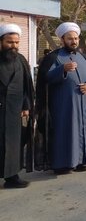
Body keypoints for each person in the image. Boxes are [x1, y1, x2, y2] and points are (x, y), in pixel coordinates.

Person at [36, 22, 86, 174]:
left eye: (76, 38)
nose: (74, 41)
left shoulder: (83, 57)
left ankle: (81, 161)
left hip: (83, 105)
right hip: (63, 106)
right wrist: (62, 70)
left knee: (84, 131)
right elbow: (45, 79)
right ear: (62, 39)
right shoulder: (54, 57)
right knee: (65, 133)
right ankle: (62, 164)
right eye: (70, 38)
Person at [0, 24, 34, 188]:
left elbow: (27, 86)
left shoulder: (21, 60)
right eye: (9, 42)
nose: (13, 45)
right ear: (1, 42)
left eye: (16, 42)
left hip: (15, 111)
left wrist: (26, 106)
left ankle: (12, 177)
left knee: (13, 145)